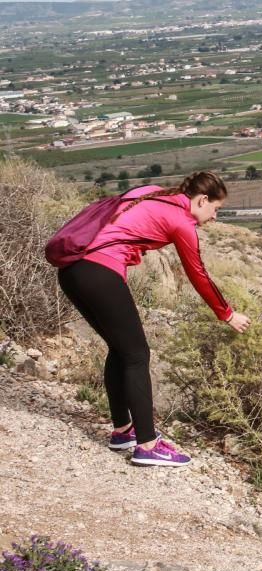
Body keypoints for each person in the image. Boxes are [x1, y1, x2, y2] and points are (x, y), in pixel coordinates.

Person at [57, 171, 250, 467]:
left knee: (121, 349)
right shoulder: (181, 223)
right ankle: (147, 445)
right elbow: (198, 274)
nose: (215, 217)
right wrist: (227, 313)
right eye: (216, 209)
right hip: (99, 273)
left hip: (72, 271)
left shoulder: (152, 191)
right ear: (202, 200)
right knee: (137, 354)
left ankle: (123, 432)